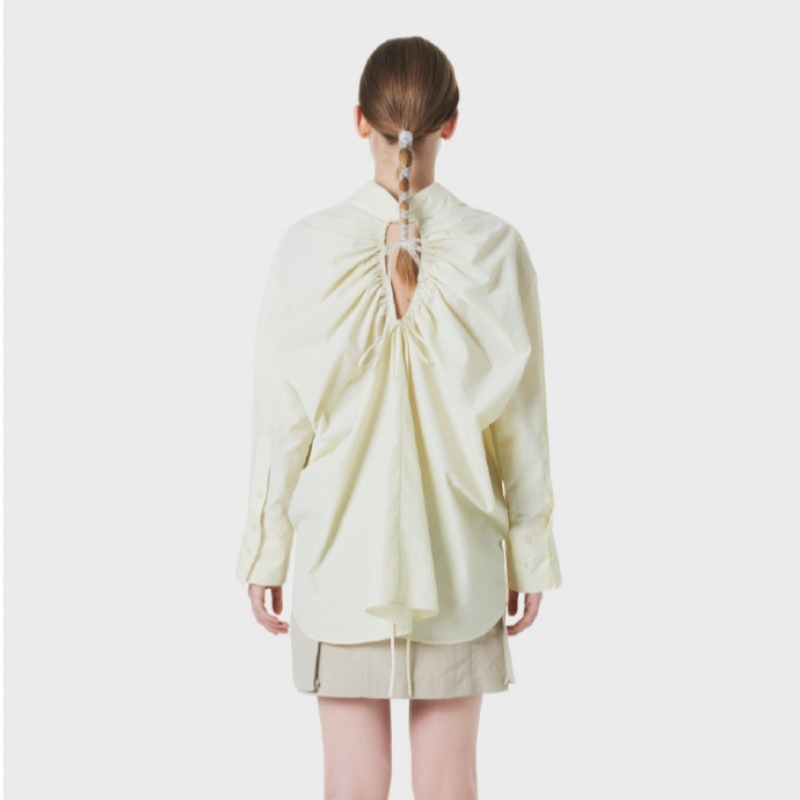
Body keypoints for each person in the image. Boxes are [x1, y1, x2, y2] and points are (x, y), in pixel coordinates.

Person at [235, 35, 563, 800]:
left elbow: (282, 425)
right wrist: (530, 553)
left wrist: (266, 552)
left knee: (351, 784)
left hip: (338, 563)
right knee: (450, 785)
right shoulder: (497, 248)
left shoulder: (306, 248)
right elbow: (522, 425)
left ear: (361, 120)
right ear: (452, 123)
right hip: (460, 563)